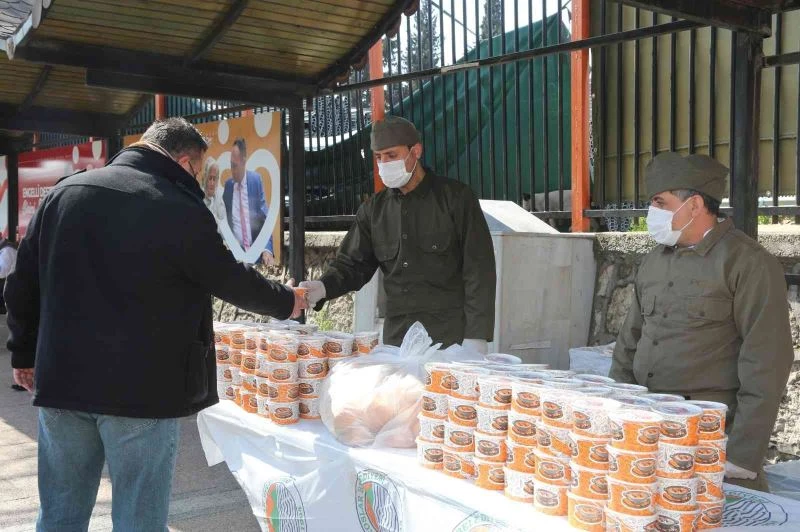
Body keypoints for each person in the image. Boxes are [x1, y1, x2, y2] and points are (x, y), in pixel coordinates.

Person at [6, 117, 307, 531]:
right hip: (142, 394)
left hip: (62, 385)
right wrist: (289, 300)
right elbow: (230, 279)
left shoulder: (64, 194)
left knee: (59, 515)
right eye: (198, 171)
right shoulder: (178, 208)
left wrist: (23, 353)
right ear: (185, 162)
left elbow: (21, 286)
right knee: (138, 519)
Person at [609, 151, 793, 492]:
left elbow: (767, 362)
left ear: (693, 205)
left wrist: (742, 454)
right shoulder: (654, 261)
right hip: (647, 431)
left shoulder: (747, 263)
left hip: (709, 441)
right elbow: (628, 343)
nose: (652, 213)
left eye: (660, 202)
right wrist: (615, 409)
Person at [301, 116, 496, 352]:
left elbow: (479, 270)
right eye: (379, 157)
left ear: (416, 152)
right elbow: (351, 265)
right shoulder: (373, 210)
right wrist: (322, 287)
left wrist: (476, 337)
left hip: (449, 341)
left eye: (391, 155)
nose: (384, 164)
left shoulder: (456, 199)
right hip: (397, 342)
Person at [222, 137, 274, 265]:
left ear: (244, 162)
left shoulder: (255, 181)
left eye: (235, 166)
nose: (232, 171)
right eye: (230, 165)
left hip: (255, 255)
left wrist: (267, 249)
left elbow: (264, 219)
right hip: (235, 258)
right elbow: (224, 222)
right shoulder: (228, 186)